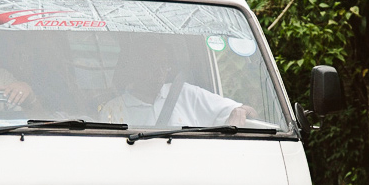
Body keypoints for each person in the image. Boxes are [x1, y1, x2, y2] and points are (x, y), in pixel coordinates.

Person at [99, 35, 256, 128]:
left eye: (164, 65)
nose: (159, 72)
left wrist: (238, 112)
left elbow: (249, 111)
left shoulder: (186, 93)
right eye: (152, 65)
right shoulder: (113, 110)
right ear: (135, 68)